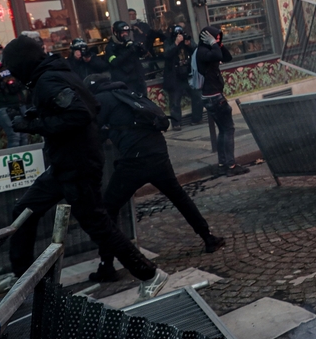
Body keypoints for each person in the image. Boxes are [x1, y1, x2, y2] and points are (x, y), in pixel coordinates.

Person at [0, 36, 168, 300]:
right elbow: (86, 106)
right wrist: (37, 116)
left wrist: (32, 125)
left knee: (98, 225)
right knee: (24, 211)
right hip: (64, 163)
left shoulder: (48, 80)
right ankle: (21, 275)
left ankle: (150, 274)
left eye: (13, 68)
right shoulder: (53, 74)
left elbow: (81, 115)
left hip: (77, 164)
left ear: (22, 64)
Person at [84, 72, 224, 282]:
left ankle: (107, 265)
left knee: (108, 208)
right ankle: (209, 238)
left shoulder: (101, 101)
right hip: (158, 153)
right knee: (178, 196)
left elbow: (94, 134)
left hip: (135, 161)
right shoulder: (125, 92)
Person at [195, 26, 248, 177]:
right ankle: (230, 165)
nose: (217, 41)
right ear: (206, 38)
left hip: (212, 96)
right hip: (214, 97)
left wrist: (219, 44)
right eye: (214, 38)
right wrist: (213, 44)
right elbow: (216, 54)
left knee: (223, 130)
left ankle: (223, 164)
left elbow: (227, 57)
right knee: (228, 129)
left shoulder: (210, 49)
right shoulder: (203, 52)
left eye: (218, 38)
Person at [162, 25, 202, 130]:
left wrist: (189, 45)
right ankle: (176, 124)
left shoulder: (186, 39)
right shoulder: (168, 42)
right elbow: (166, 53)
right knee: (175, 101)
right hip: (175, 77)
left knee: (197, 95)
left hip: (188, 75)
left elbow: (197, 51)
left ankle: (196, 119)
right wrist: (176, 43)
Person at [106, 21, 147, 95]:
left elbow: (142, 55)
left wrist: (141, 48)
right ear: (116, 33)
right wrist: (129, 51)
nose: (125, 34)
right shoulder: (110, 47)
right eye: (122, 33)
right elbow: (114, 62)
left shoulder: (130, 44)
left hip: (138, 81)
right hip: (124, 83)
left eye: (126, 32)